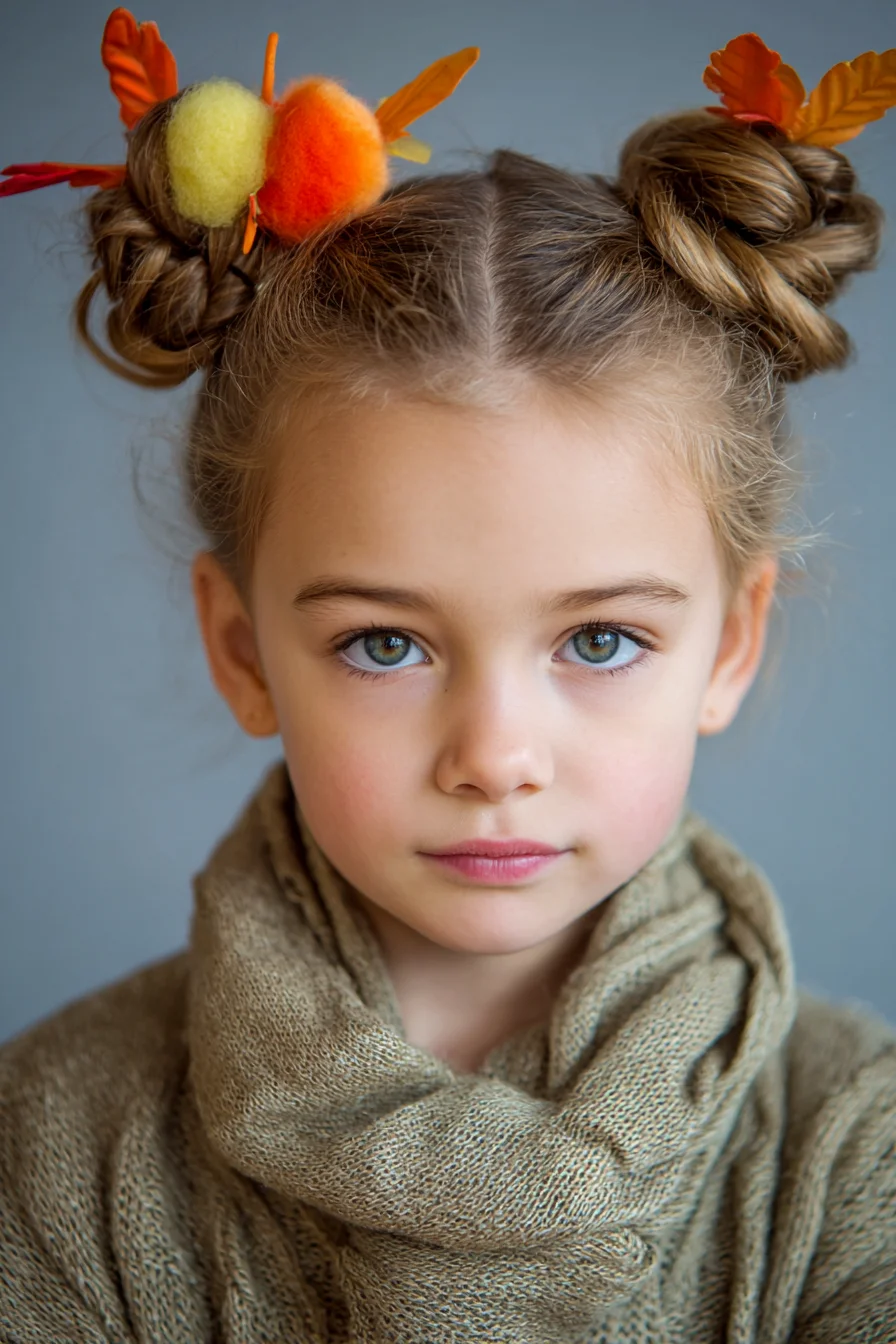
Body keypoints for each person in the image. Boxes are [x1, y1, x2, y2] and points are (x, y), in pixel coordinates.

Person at [1, 12, 895, 1342]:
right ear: (243, 651)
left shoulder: (858, 1155)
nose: (494, 754)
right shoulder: (52, 1149)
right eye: (386, 644)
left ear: (731, 642)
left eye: (599, 641)